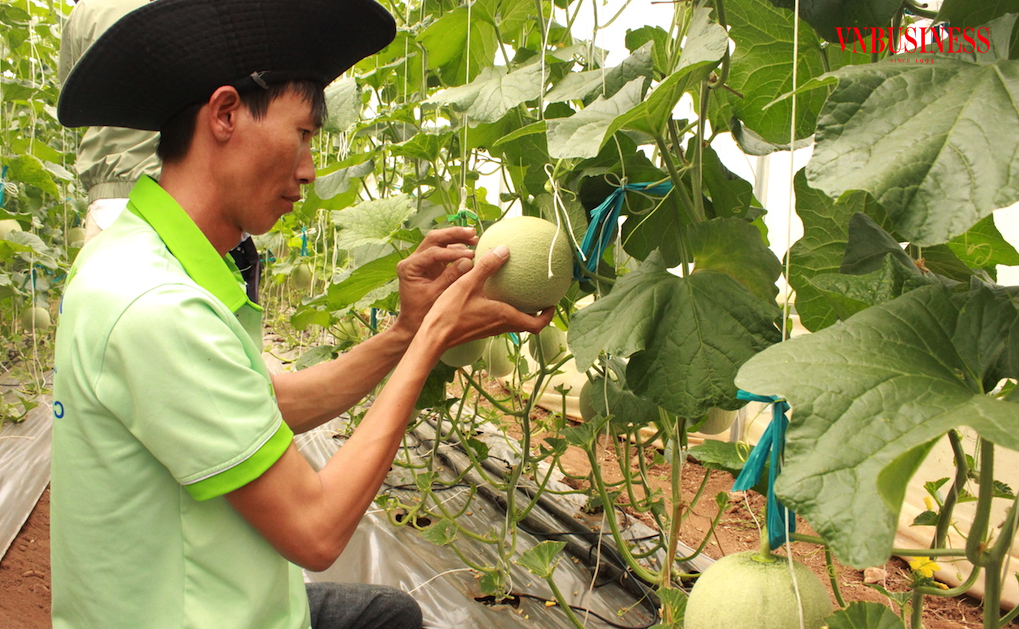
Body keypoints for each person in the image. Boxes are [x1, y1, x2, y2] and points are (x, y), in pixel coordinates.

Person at [51, 0, 554, 628]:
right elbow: (316, 531)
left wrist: (405, 331)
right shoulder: (156, 307)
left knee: (385, 615)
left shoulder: (136, 259)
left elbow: (270, 404)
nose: (310, 171)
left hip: (205, 599)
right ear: (226, 114)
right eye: (304, 135)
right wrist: (434, 340)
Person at [58, 0, 262, 300]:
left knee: (104, 316)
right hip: (189, 198)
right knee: (205, 325)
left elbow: (75, 98)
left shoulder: (89, 8)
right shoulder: (201, 9)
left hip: (112, 201)